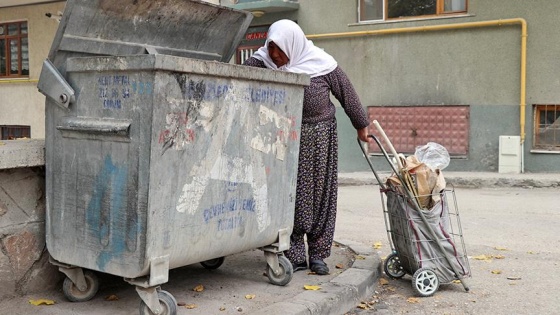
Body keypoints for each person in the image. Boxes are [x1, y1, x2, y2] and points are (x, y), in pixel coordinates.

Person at [244, 19, 370, 275]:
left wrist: (361, 125)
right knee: (289, 197)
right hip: (283, 138)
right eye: (271, 48)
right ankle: (295, 254)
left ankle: (319, 254)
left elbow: (347, 93)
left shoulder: (321, 63)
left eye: (279, 49)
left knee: (321, 195)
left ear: (293, 44)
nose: (274, 55)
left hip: (320, 137)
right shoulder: (262, 60)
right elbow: (235, 77)